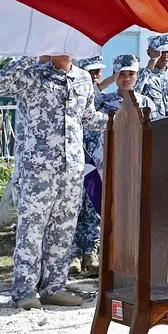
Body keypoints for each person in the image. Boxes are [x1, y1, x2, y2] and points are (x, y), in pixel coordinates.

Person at [0, 55, 103, 309]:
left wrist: (120, 116)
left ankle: (54, 287)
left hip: (71, 169)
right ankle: (24, 291)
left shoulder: (82, 79)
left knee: (63, 231)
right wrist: (28, 58)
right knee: (32, 231)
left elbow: (88, 117)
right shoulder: (31, 73)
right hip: (37, 171)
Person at [70, 56, 107, 278]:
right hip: (75, 161)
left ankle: (90, 253)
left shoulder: (103, 99)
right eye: (91, 71)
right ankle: (73, 254)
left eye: (98, 72)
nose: (95, 75)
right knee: (74, 209)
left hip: (96, 164)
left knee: (93, 211)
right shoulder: (73, 95)